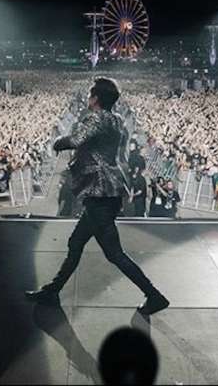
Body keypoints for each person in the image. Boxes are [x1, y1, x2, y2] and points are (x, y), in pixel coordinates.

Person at [25, 78, 169, 316]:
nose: (87, 97)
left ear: (96, 98)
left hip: (100, 193)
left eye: (90, 94)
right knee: (76, 243)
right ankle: (52, 290)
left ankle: (154, 296)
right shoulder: (116, 119)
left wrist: (57, 142)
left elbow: (75, 140)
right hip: (106, 193)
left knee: (114, 254)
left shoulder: (97, 118)